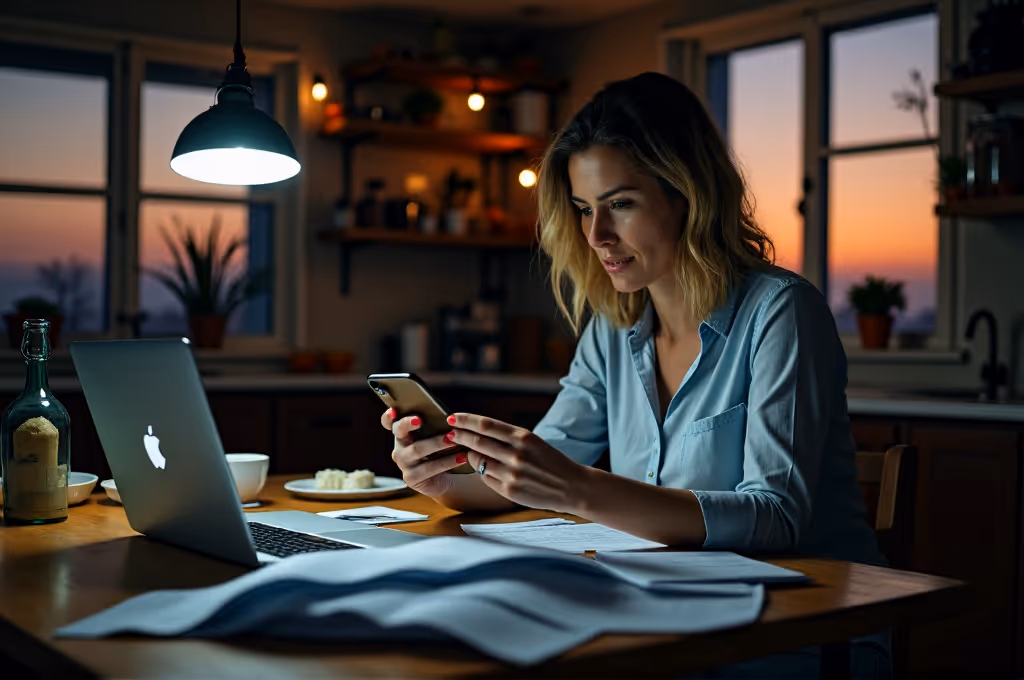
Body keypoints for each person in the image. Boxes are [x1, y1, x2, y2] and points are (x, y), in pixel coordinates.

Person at [383, 72, 889, 677]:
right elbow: (541, 471)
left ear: (687, 194)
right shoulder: (612, 326)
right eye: (583, 209)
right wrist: (443, 479)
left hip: (799, 633)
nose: (596, 236)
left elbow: (776, 516)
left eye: (620, 204)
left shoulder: (781, 311)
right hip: (664, 618)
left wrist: (577, 489)